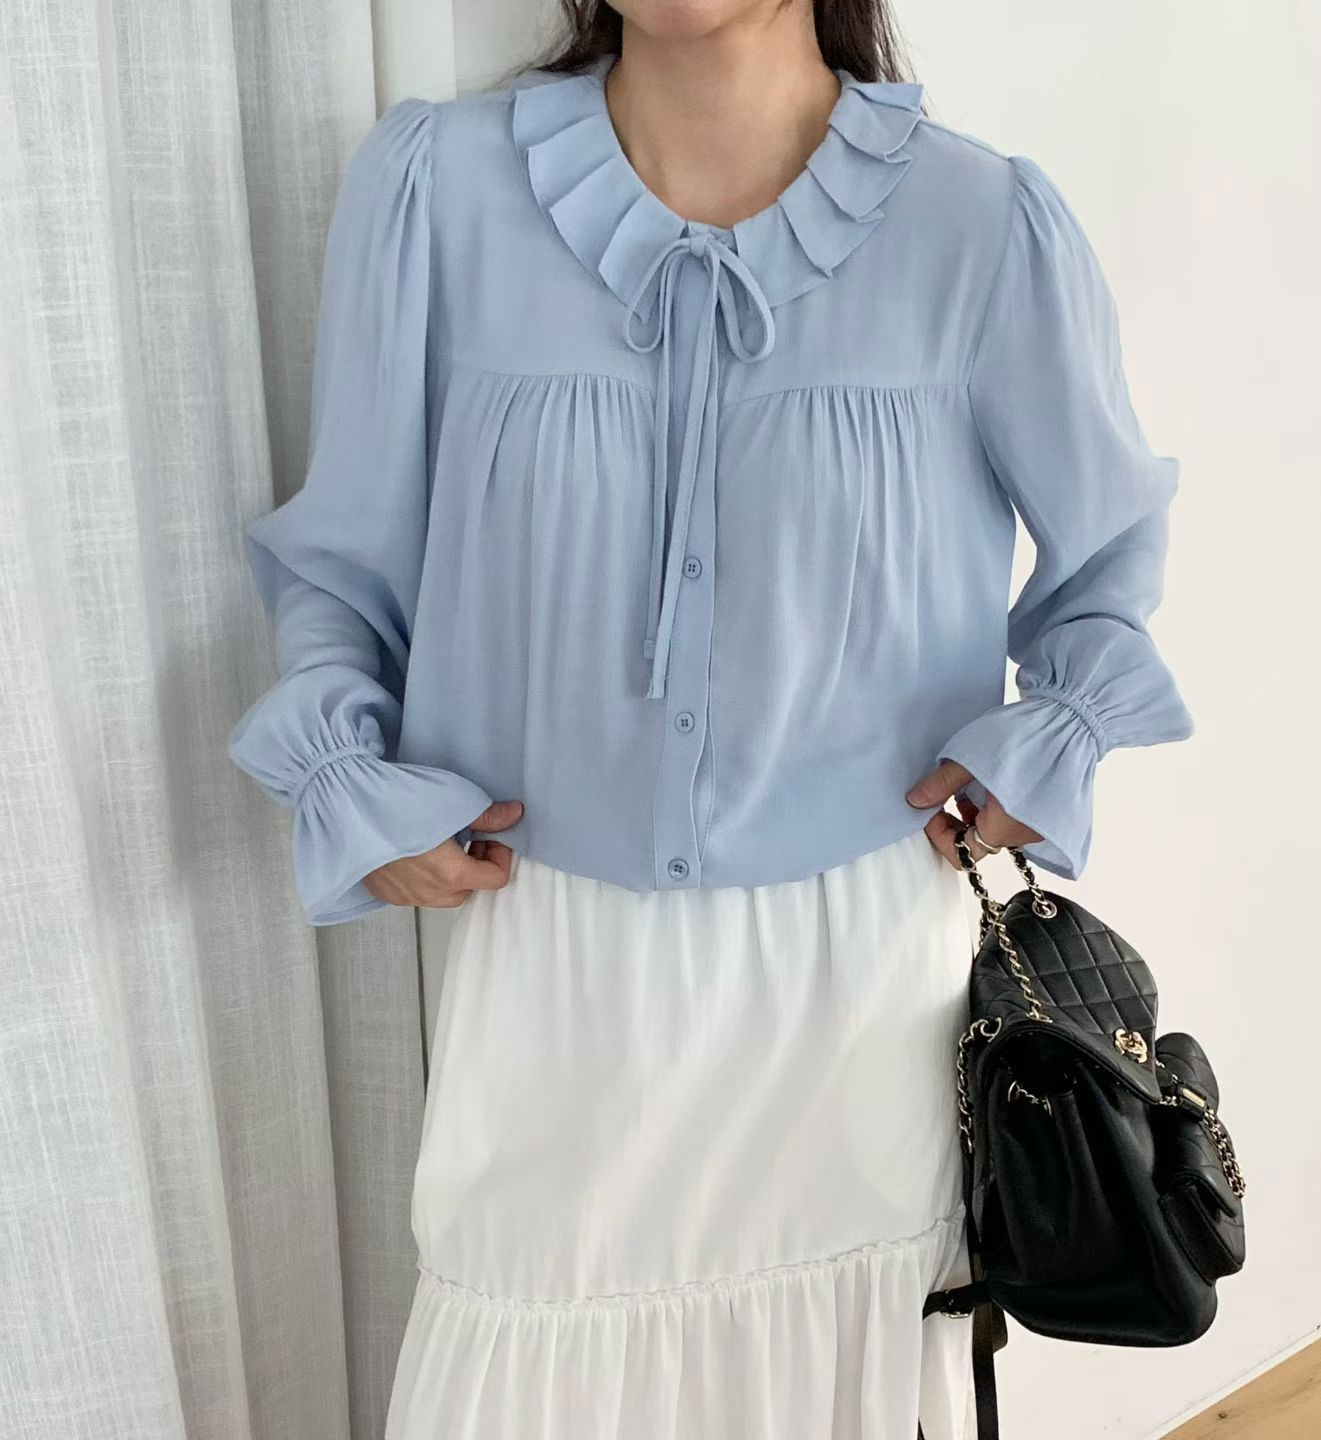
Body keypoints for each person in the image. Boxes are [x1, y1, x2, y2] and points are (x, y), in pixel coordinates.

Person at [226, 2, 1194, 1436]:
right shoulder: (439, 194)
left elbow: (1106, 562)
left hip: (858, 971)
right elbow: (343, 559)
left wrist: (1049, 740)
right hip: (554, 954)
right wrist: (348, 776)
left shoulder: (978, 226)